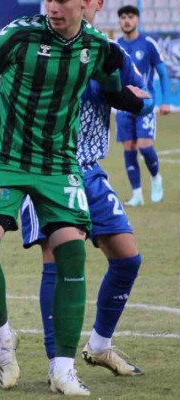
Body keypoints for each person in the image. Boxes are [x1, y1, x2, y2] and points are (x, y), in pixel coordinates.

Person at [0, 0, 144, 396]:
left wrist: (136, 100)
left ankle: (62, 369)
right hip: (5, 157)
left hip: (59, 165)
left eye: (63, 0)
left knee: (72, 253)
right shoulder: (17, 35)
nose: (54, 7)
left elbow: (115, 89)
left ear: (87, 4)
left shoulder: (99, 47)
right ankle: (3, 340)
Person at [19, 0, 151, 380]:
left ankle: (98, 346)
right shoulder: (37, 45)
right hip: (48, 170)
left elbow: (141, 100)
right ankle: (55, 364)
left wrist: (117, 92)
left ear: (95, 4)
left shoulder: (110, 52)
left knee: (128, 260)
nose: (59, 6)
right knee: (57, 262)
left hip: (91, 172)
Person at [116, 4, 171, 206]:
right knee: (129, 147)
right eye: (123, 17)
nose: (127, 21)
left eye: (130, 16)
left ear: (137, 20)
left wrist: (165, 101)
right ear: (119, 21)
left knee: (145, 147)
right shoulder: (116, 46)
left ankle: (156, 178)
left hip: (145, 105)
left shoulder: (148, 44)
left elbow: (163, 73)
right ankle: (137, 195)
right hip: (123, 106)